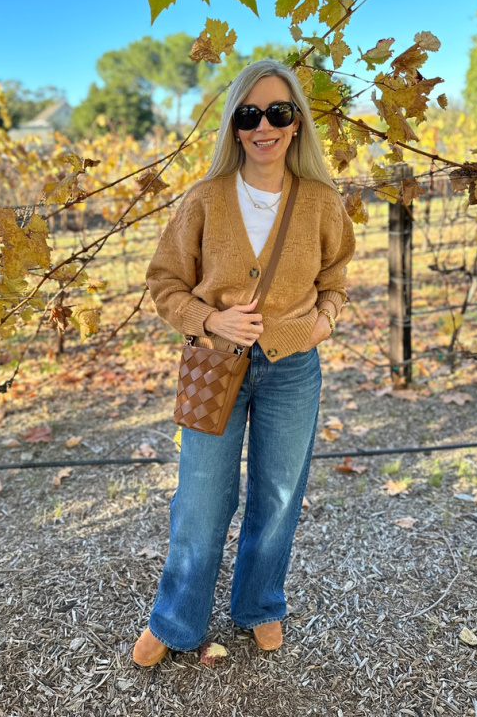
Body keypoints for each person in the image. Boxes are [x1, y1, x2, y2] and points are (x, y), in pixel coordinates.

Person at [133, 58, 356, 666]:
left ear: (296, 123)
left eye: (278, 112)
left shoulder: (321, 201)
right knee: (201, 499)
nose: (264, 126)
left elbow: (336, 278)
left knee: (278, 495)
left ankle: (259, 604)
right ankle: (176, 619)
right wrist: (210, 320)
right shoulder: (204, 200)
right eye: (250, 114)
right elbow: (164, 283)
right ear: (234, 125)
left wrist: (324, 321)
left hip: (293, 369)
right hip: (215, 365)